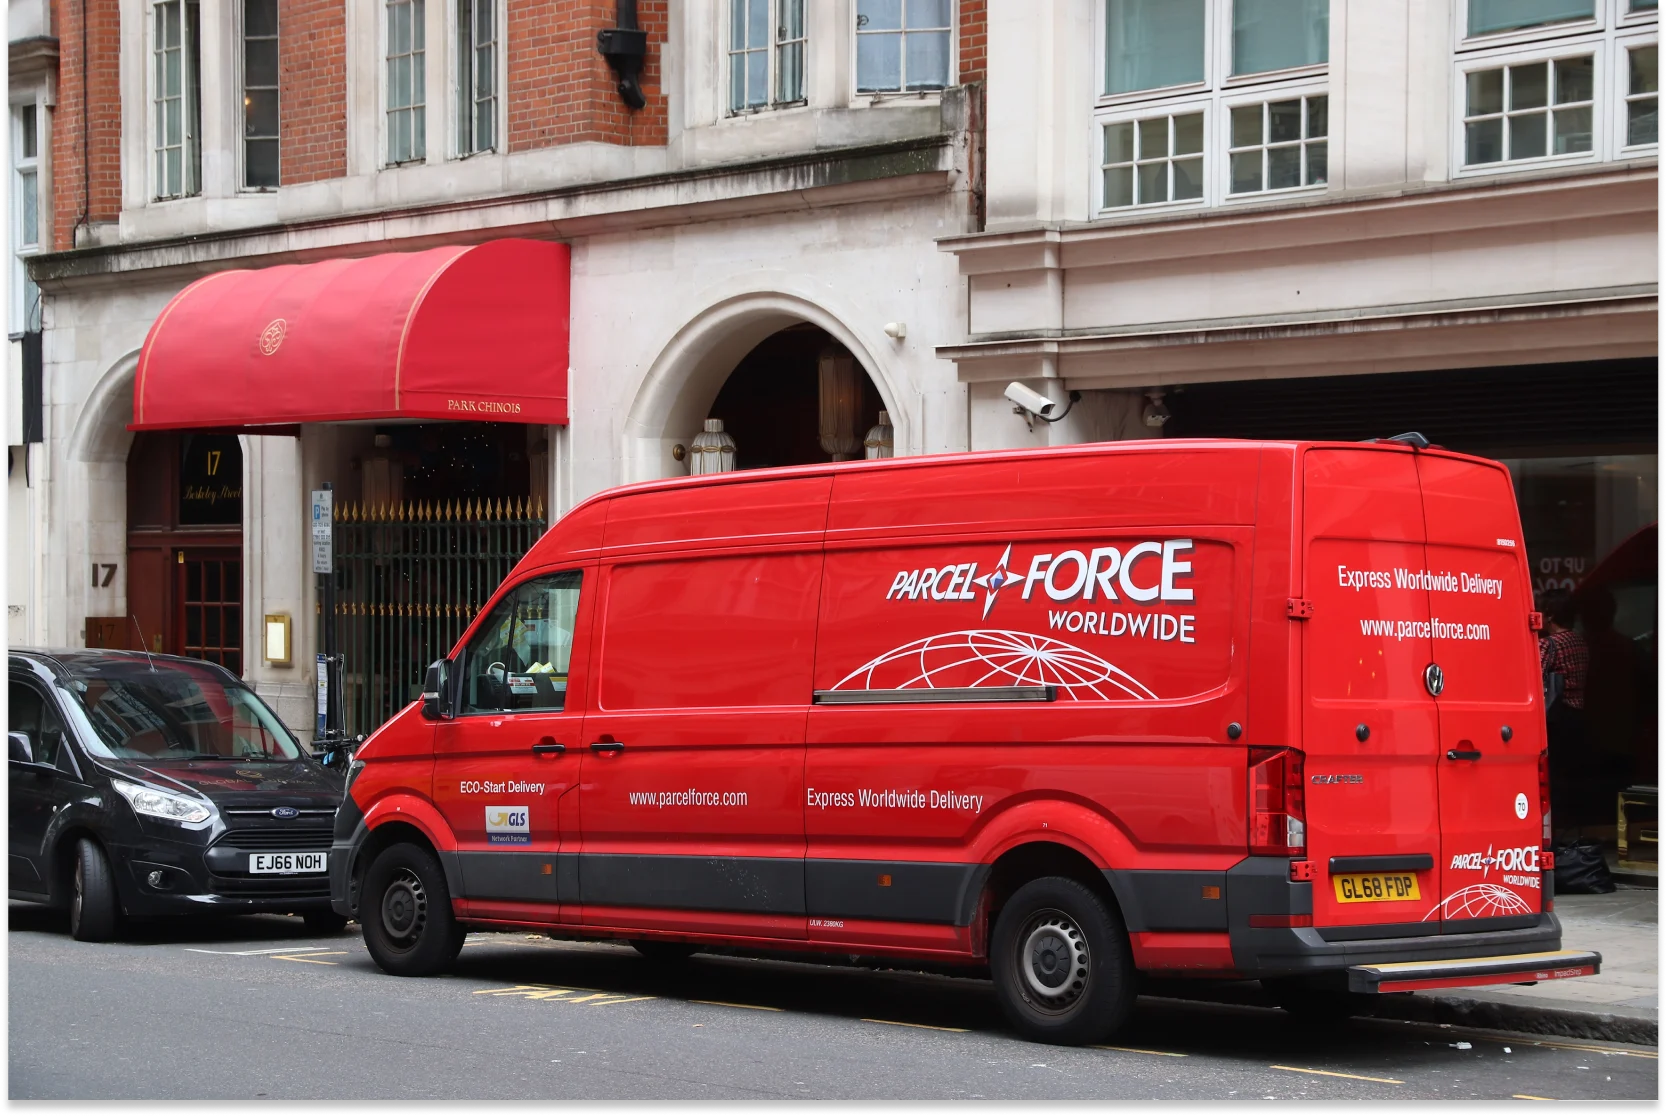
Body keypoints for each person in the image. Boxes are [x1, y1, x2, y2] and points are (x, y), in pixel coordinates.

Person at [1538, 590, 1587, 829]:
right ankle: (1574, 828)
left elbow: (1532, 677)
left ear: (1551, 615)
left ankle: (1557, 830)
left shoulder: (1548, 644)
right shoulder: (1579, 640)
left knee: (1554, 777)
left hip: (1556, 717)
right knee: (1572, 776)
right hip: (1578, 716)